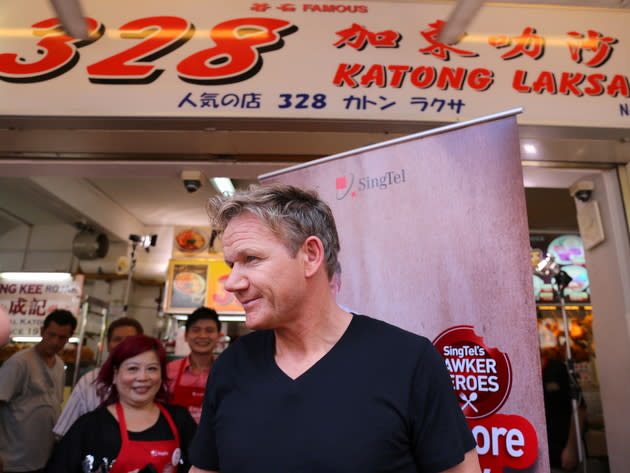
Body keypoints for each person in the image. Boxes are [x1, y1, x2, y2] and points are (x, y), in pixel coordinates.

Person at [189, 184, 480, 473]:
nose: (231, 282)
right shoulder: (232, 364)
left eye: (251, 259)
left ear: (311, 255)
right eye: (231, 265)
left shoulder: (408, 361)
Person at [45, 334, 196, 473]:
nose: (143, 377)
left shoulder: (179, 420)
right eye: (132, 368)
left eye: (152, 369)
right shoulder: (91, 426)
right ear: (115, 375)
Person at [0, 309, 77, 473]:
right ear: (42, 331)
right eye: (51, 335)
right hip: (13, 461)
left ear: (69, 337)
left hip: (43, 458)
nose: (55, 342)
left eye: (62, 337)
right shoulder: (19, 363)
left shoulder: (59, 366)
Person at [53, 316, 144, 438]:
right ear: (108, 345)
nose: (123, 344)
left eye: (129, 339)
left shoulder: (150, 381)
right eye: (117, 339)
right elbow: (66, 430)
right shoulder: (89, 381)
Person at [167, 307, 220, 424]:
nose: (202, 335)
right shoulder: (169, 371)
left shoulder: (227, 372)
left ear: (218, 336)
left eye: (209, 330)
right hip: (177, 439)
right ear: (186, 335)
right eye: (196, 330)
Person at [542, 348, 586, 472]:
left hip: (560, 455)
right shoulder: (515, 372)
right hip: (528, 455)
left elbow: (580, 409)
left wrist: (572, 447)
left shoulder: (558, 369)